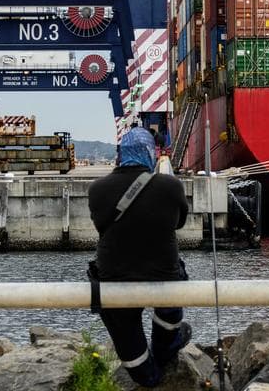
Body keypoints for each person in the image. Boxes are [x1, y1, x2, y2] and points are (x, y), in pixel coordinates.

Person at [87, 124, 193, 387]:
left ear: (120, 154)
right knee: (171, 300)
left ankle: (148, 376)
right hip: (164, 276)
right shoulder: (170, 187)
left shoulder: (97, 189)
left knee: (137, 362)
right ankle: (167, 346)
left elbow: (100, 226)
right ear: (150, 152)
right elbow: (179, 223)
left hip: (113, 278)